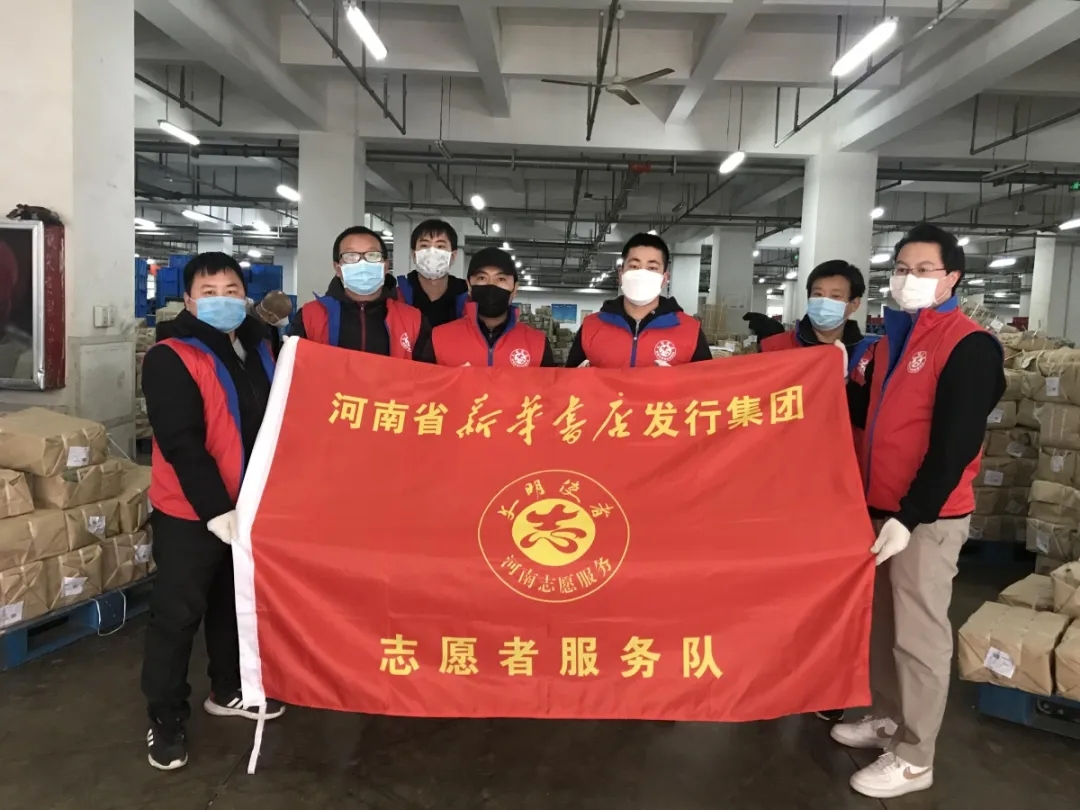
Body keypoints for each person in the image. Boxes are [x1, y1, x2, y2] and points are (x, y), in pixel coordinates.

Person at [835, 224, 1004, 799]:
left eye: (924, 269)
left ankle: (915, 756)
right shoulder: (890, 342)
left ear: (952, 277)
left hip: (926, 520)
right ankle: (888, 717)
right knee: (883, 627)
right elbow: (866, 415)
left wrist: (911, 517)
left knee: (919, 635)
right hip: (878, 509)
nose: (909, 278)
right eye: (902, 269)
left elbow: (955, 445)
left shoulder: (968, 345)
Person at [141, 253, 285, 772]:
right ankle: (165, 717)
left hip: (251, 505)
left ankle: (228, 688)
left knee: (232, 600)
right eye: (209, 291)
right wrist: (215, 509)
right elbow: (180, 441)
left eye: (231, 290)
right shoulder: (171, 357)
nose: (222, 300)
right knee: (178, 613)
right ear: (188, 300)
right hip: (192, 509)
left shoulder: (260, 346)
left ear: (245, 296)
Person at [565, 232, 712, 368]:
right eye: (634, 266)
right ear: (621, 274)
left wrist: (678, 381)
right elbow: (565, 382)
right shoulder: (591, 327)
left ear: (664, 278)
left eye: (652, 268)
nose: (642, 274)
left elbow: (708, 384)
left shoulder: (690, 330)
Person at [290, 225, 434, 361]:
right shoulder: (309, 317)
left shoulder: (413, 320)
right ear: (338, 268)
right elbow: (293, 369)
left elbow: (426, 374)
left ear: (385, 266)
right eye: (351, 256)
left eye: (372, 255)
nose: (363, 263)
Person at [432, 247, 554, 367]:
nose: (491, 285)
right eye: (482, 278)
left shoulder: (538, 344)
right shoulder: (439, 339)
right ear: (469, 286)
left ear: (515, 289)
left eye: (501, 279)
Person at [760, 260, 879, 376]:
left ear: (854, 304)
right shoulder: (774, 347)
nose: (823, 302)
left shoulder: (870, 354)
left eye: (835, 296)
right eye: (818, 294)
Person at [394, 219, 469, 326]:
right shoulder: (397, 297)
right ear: (414, 255)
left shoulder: (467, 298)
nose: (432, 252)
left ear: (453, 256)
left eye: (440, 246)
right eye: (424, 246)